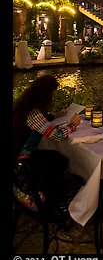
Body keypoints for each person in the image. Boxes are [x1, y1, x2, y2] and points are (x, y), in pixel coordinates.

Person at [13, 74, 82, 211]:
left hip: (17, 156)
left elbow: (41, 123)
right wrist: (73, 125)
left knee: (55, 157)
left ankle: (53, 190)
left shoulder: (24, 109)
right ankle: (53, 198)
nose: (53, 97)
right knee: (59, 160)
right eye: (52, 94)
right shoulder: (34, 115)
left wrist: (56, 116)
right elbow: (57, 136)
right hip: (22, 163)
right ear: (45, 95)